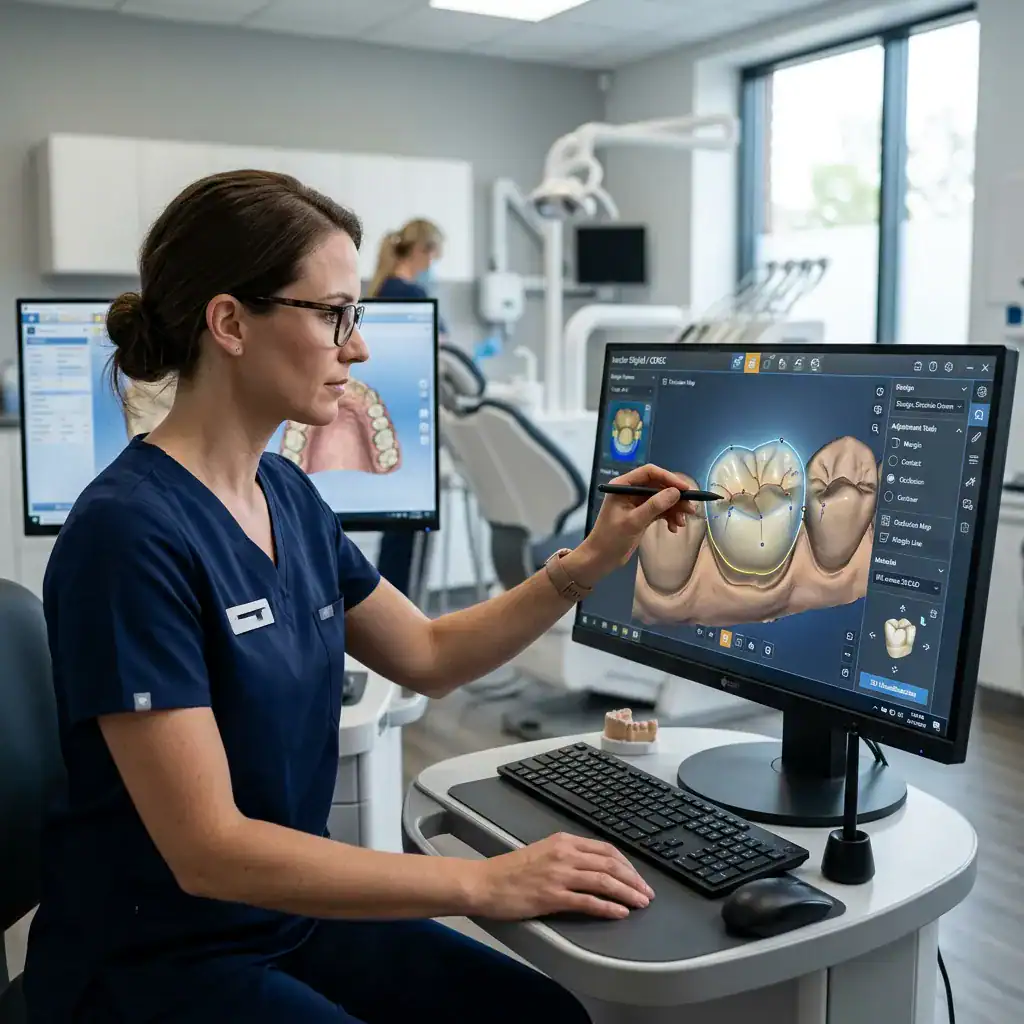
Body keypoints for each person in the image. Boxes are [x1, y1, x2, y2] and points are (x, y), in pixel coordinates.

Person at [22, 169, 694, 1024]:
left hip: (283, 922)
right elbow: (209, 852)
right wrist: (481, 883)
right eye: (334, 314)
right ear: (229, 322)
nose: (358, 346)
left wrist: (590, 561)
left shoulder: (287, 495)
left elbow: (430, 655)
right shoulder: (127, 537)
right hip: (153, 959)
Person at [368, 219, 448, 598]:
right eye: (435, 255)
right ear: (423, 252)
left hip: (387, 418)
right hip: (412, 424)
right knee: (411, 527)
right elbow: (443, 353)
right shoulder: (413, 295)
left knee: (395, 523)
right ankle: (405, 610)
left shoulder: (379, 289)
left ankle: (390, 603)